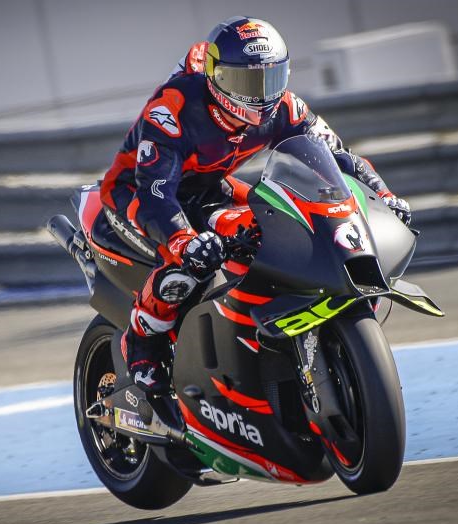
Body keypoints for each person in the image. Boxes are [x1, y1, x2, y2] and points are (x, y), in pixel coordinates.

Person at [100, 16, 411, 395]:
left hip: (208, 187)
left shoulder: (287, 108)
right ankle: (141, 341)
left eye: (271, 78)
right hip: (137, 193)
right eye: (247, 82)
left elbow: (339, 157)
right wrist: (184, 240)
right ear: (216, 76)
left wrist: (384, 195)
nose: (261, 94)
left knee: (275, 228)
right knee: (190, 263)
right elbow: (155, 195)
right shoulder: (174, 110)